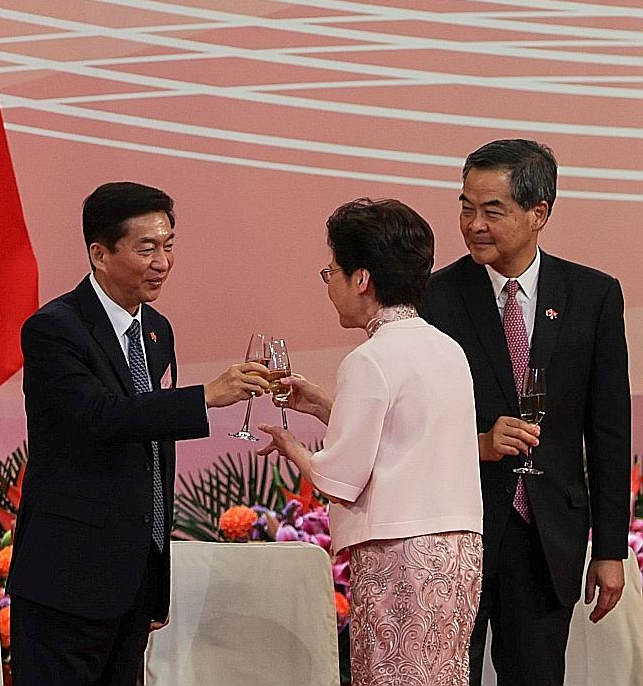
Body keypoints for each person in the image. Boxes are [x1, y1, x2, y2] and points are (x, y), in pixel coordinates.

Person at [6, 181, 273, 686]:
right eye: (146, 248)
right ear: (99, 253)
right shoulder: (53, 329)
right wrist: (204, 398)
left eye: (169, 245)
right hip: (68, 577)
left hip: (133, 579)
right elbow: (102, 417)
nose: (163, 262)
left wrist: (156, 580)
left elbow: (152, 445)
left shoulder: (156, 330)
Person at [418, 139, 629, 685]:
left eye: (492, 210)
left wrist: (609, 550)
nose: (473, 224)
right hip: (457, 535)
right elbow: (412, 419)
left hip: (546, 536)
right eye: (466, 207)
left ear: (539, 213)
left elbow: (607, 433)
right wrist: (479, 437)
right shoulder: (433, 299)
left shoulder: (593, 296)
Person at [259, 198, 483, 685]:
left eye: (332, 271)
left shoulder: (369, 358)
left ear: (362, 279)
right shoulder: (447, 348)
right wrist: (323, 405)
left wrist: (288, 444)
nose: (330, 285)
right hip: (459, 552)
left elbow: (340, 479)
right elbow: (404, 436)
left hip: (399, 553)